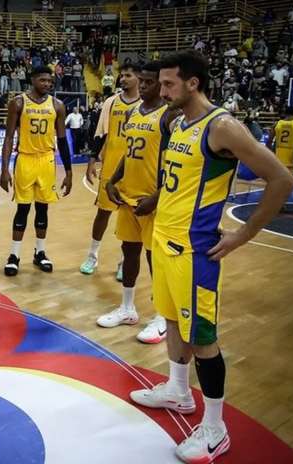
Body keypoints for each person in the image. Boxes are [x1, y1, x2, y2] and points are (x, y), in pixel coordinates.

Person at [129, 50, 293, 463]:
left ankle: (216, 428)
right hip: (165, 241)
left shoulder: (223, 127)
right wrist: (155, 200)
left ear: (193, 83)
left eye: (168, 84)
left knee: (203, 339)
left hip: (195, 251)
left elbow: (282, 179)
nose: (161, 90)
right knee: (172, 321)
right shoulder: (175, 121)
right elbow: (181, 181)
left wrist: (242, 235)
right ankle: (179, 391)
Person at [101, 61, 179, 343]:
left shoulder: (170, 115)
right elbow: (129, 154)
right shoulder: (135, 112)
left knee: (153, 259)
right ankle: (127, 308)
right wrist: (112, 180)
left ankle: (161, 317)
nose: (143, 86)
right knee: (129, 252)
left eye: (149, 82)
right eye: (142, 82)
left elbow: (175, 163)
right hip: (129, 198)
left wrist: (157, 198)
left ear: (161, 84)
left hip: (154, 201)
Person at [0, 66, 72, 276]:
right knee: (22, 209)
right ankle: (14, 255)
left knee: (43, 209)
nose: (47, 84)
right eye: (43, 80)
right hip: (25, 159)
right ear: (32, 80)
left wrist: (68, 171)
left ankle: (40, 252)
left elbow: (62, 140)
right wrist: (4, 170)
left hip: (47, 160)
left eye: (50, 81)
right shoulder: (19, 103)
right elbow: (8, 137)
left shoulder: (57, 105)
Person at [81, 63, 141, 279]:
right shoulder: (111, 102)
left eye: (128, 75)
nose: (122, 79)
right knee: (102, 213)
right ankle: (92, 256)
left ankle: (125, 262)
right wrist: (91, 161)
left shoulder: (147, 104)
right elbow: (100, 133)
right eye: (121, 75)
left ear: (139, 78)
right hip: (111, 166)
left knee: (131, 219)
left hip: (135, 170)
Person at [268, 106, 293, 173]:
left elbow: (269, 141)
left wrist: (270, 154)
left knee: (277, 177)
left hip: (278, 153)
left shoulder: (276, 124)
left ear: (285, 113)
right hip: (292, 155)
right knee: (292, 178)